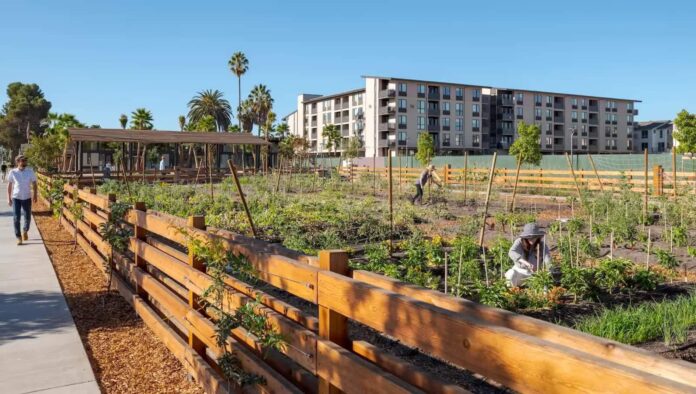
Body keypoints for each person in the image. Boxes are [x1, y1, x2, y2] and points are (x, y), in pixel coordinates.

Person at [505, 223, 551, 287]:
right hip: (520, 272)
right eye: (529, 237)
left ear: (538, 237)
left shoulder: (542, 245)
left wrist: (548, 270)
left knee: (542, 283)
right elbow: (511, 252)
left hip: (533, 274)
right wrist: (527, 263)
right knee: (511, 273)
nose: (531, 239)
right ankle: (513, 293)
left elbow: (547, 259)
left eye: (534, 237)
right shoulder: (519, 242)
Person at [7, 155, 37, 245]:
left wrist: (35, 195)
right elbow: (9, 185)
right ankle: (18, 237)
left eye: (25, 161)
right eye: (22, 161)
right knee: (16, 218)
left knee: (27, 217)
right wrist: (9, 198)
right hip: (16, 197)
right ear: (18, 162)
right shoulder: (12, 172)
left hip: (27, 197)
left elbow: (34, 183)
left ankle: (25, 230)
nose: (24, 162)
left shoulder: (30, 171)